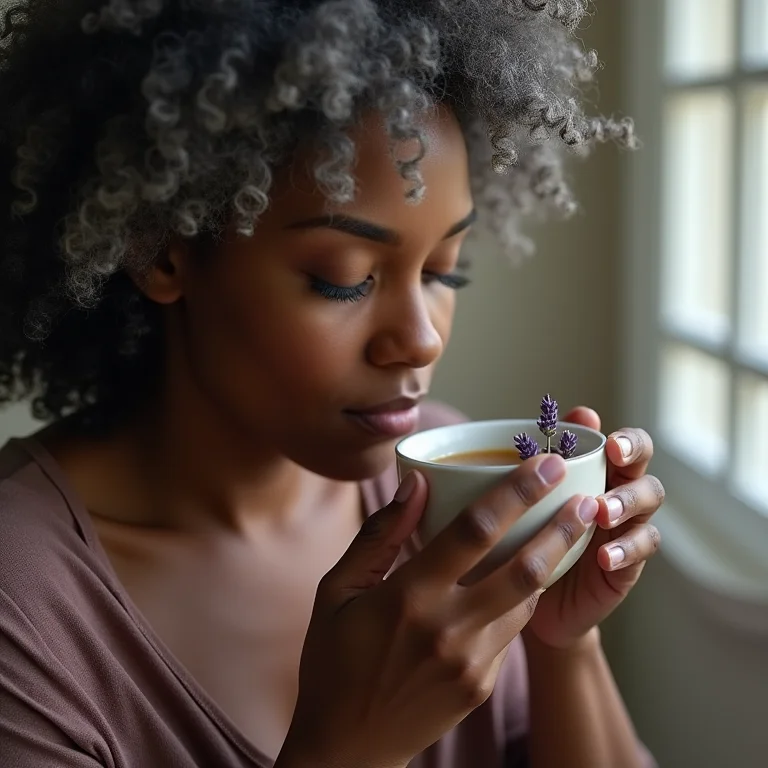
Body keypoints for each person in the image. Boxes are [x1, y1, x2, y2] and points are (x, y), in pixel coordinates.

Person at [0, 1, 665, 766]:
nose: (421, 338)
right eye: (343, 279)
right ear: (161, 252)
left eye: (445, 270)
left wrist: (560, 641)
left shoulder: (448, 490)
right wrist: (350, 746)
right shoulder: (25, 602)